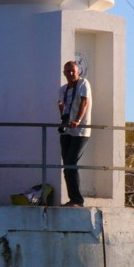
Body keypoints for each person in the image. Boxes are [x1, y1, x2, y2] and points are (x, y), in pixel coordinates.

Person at [58, 61, 92, 207]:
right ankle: (73, 199)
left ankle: (77, 200)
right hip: (67, 132)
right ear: (64, 73)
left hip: (81, 131)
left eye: (73, 71)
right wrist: (64, 118)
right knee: (67, 165)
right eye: (67, 71)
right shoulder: (63, 89)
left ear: (78, 72)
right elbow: (60, 103)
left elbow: (84, 102)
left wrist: (77, 120)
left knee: (71, 163)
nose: (70, 73)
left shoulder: (83, 83)